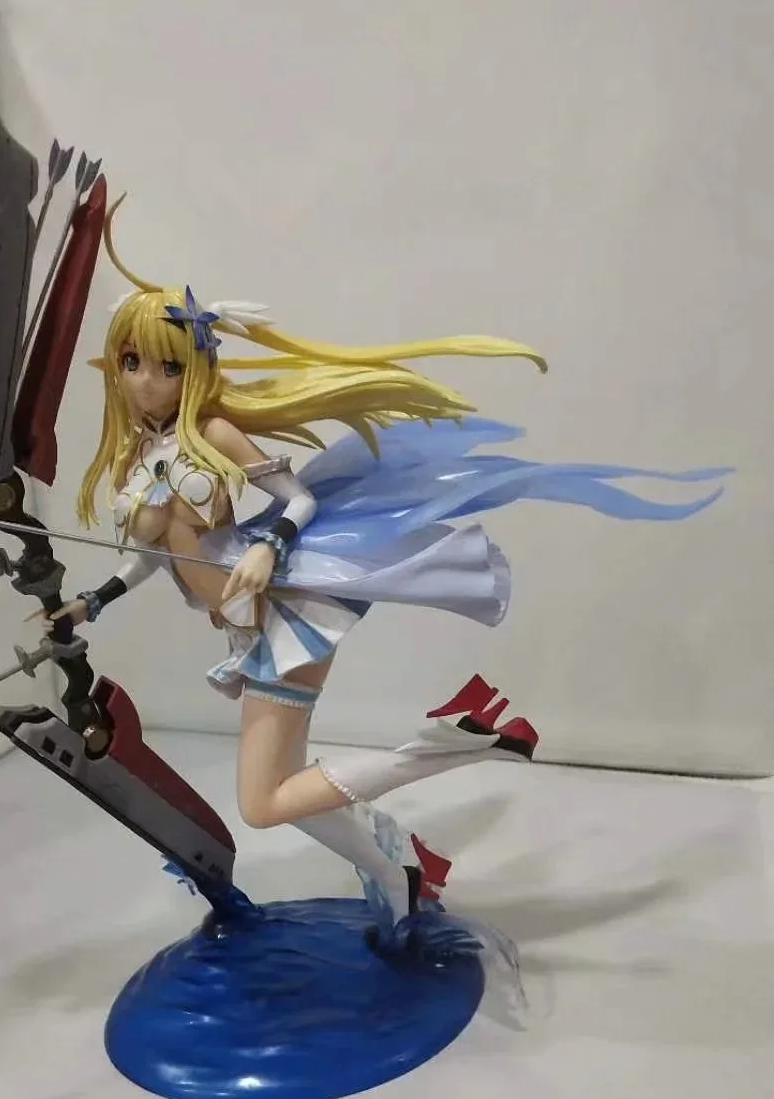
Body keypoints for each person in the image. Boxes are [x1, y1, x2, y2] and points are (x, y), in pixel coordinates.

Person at [47, 197, 729, 928]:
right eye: (131, 362)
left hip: (284, 616)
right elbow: (157, 554)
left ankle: (450, 746)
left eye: (166, 366)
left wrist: (269, 546)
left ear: (196, 369)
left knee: (262, 803)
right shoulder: (144, 453)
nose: (145, 380)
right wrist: (97, 600)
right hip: (247, 627)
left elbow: (298, 499)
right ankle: (397, 868)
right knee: (291, 790)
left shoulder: (212, 433)